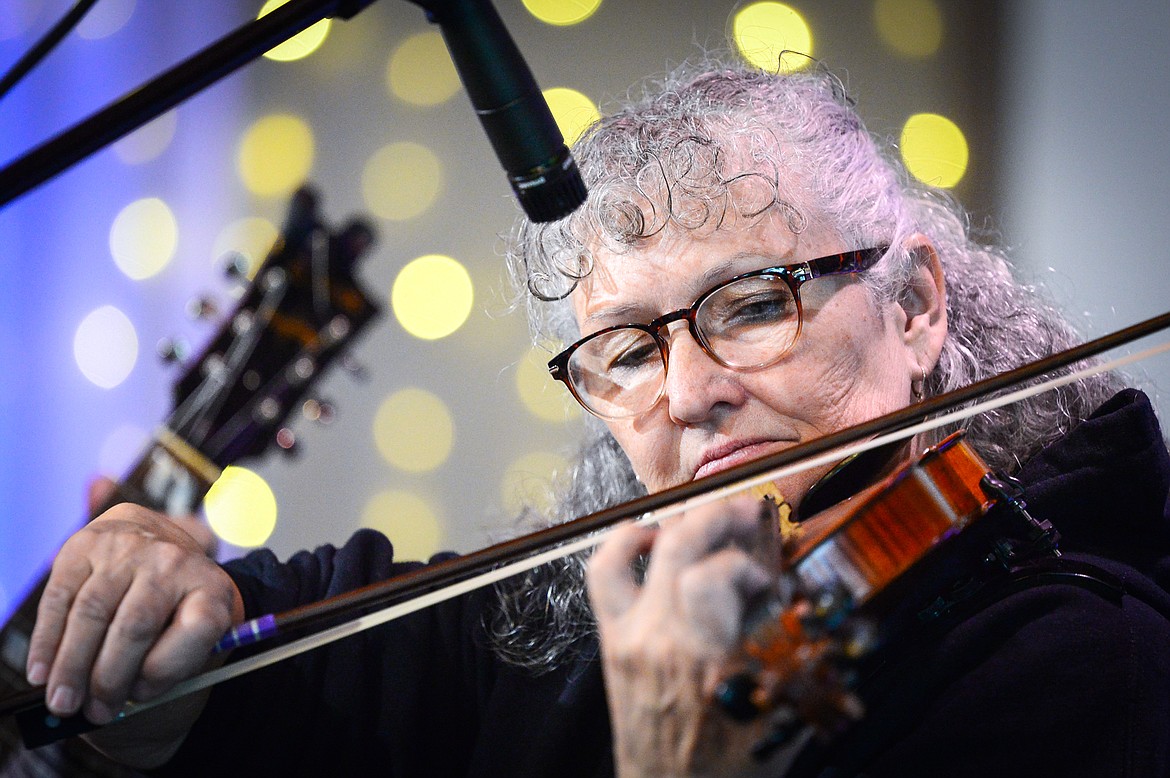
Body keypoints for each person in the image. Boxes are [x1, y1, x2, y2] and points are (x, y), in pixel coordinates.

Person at [18, 58, 1170, 777]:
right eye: (625, 350)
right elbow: (325, 684)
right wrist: (157, 649)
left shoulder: (1090, 665)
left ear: (914, 303)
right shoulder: (581, 614)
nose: (686, 391)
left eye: (754, 304)